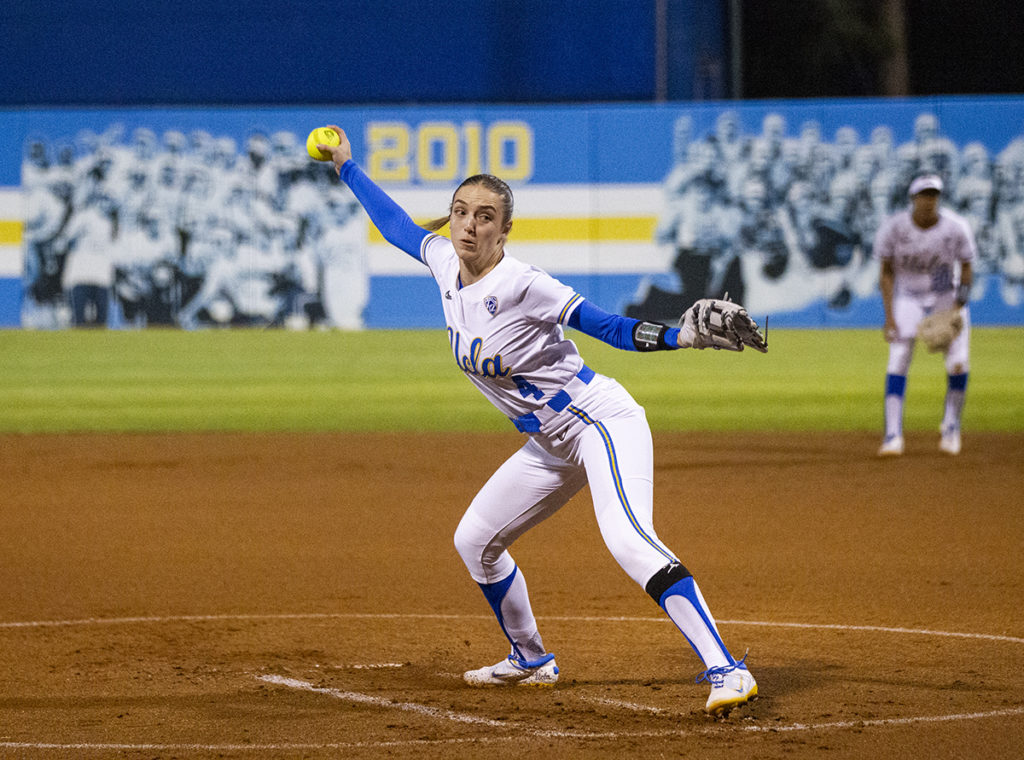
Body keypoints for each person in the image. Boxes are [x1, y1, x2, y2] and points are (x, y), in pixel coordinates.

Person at [314, 126, 759, 717]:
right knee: (476, 542)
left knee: (629, 540)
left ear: (505, 230)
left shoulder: (525, 284)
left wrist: (684, 336)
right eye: (460, 212)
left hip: (597, 420)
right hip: (549, 443)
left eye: (485, 216)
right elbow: (396, 224)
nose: (469, 225)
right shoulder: (443, 261)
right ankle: (531, 659)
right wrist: (346, 165)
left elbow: (610, 328)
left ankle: (728, 668)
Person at [874, 174, 976, 456]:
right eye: (924, 194)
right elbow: (885, 272)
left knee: (958, 364)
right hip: (908, 297)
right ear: (912, 199)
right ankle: (893, 435)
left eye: (934, 194)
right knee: (898, 361)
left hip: (946, 297)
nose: (929, 200)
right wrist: (889, 317)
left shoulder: (956, 227)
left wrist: (959, 306)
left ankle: (951, 426)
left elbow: (967, 266)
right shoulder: (894, 228)